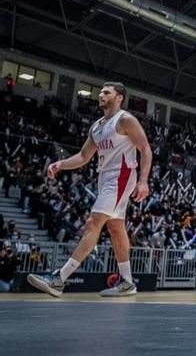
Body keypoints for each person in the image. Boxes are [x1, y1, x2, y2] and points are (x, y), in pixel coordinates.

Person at [27, 82, 152, 297]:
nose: (101, 95)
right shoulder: (97, 126)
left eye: (106, 92)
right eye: (101, 92)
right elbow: (84, 157)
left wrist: (143, 181)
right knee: (115, 227)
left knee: (93, 223)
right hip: (105, 178)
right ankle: (128, 282)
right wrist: (61, 164)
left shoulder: (125, 119)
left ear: (119, 97)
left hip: (121, 177)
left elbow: (145, 149)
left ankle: (59, 279)